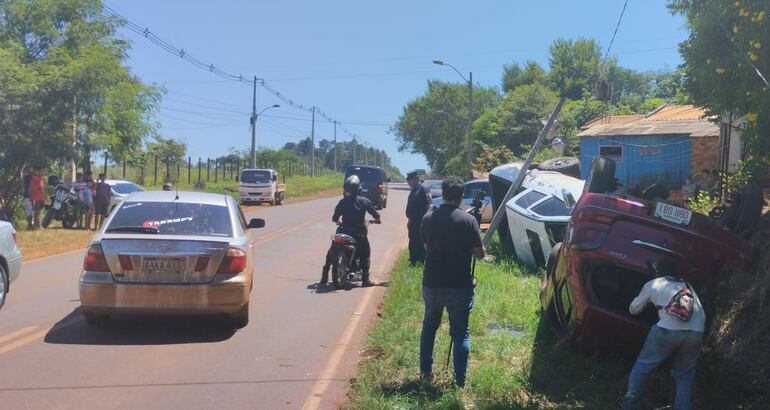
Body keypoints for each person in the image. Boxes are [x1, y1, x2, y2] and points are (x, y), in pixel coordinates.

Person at [419, 176, 485, 388]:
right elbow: (480, 254)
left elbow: (426, 248)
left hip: (432, 283)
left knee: (429, 327)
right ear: (461, 196)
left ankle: (425, 373)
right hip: (459, 284)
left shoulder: (428, 218)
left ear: (443, 194)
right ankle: (460, 382)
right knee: (460, 333)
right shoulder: (469, 221)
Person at [621, 259, 706, 410]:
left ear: (657, 271)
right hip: (696, 332)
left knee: (642, 367)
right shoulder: (687, 285)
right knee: (684, 374)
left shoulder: (653, 284)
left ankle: (629, 405)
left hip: (668, 330)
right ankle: (683, 407)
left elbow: (634, 309)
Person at [321, 175, 381, 287]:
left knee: (331, 250)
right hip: (359, 234)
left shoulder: (342, 202)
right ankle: (365, 280)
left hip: (343, 231)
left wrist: (339, 222)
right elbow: (376, 214)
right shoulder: (365, 201)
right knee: (365, 254)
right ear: (359, 189)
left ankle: (324, 275)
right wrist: (376, 219)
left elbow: (334, 218)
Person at [405, 170, 432, 265]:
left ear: (416, 179)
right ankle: (413, 260)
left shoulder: (422, 189)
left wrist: (425, 220)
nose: (408, 183)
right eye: (407, 181)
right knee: (412, 241)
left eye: (410, 181)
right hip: (413, 221)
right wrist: (409, 220)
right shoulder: (414, 190)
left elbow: (429, 205)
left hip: (420, 221)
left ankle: (421, 261)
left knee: (420, 241)